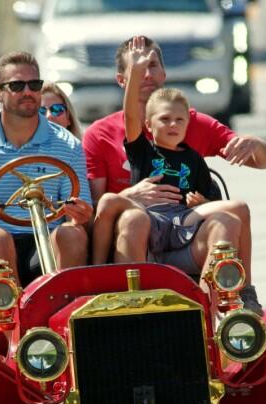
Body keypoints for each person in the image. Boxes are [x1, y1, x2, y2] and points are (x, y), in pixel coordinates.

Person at [83, 35, 266, 313]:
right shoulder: (113, 136)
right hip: (136, 228)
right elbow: (96, 205)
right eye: (138, 68)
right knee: (131, 217)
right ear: (123, 79)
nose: (146, 74)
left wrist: (256, 144)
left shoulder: (193, 127)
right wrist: (130, 195)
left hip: (182, 225)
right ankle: (116, 293)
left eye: (152, 66)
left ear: (164, 73)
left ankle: (216, 306)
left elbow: (262, 162)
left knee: (231, 218)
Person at [0, 51, 93, 287]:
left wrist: (80, 215)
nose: (28, 92)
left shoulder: (67, 145)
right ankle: (7, 316)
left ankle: (62, 314)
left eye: (34, 84)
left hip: (47, 241)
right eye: (17, 86)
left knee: (71, 236)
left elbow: (80, 214)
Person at [92, 38, 221, 281]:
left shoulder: (193, 158)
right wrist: (137, 72)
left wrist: (201, 203)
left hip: (182, 227)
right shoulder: (142, 150)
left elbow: (210, 198)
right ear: (149, 125)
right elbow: (130, 116)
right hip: (146, 220)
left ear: (188, 122)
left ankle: (222, 295)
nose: (172, 125)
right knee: (126, 213)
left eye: (179, 120)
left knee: (234, 212)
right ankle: (96, 272)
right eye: (164, 120)